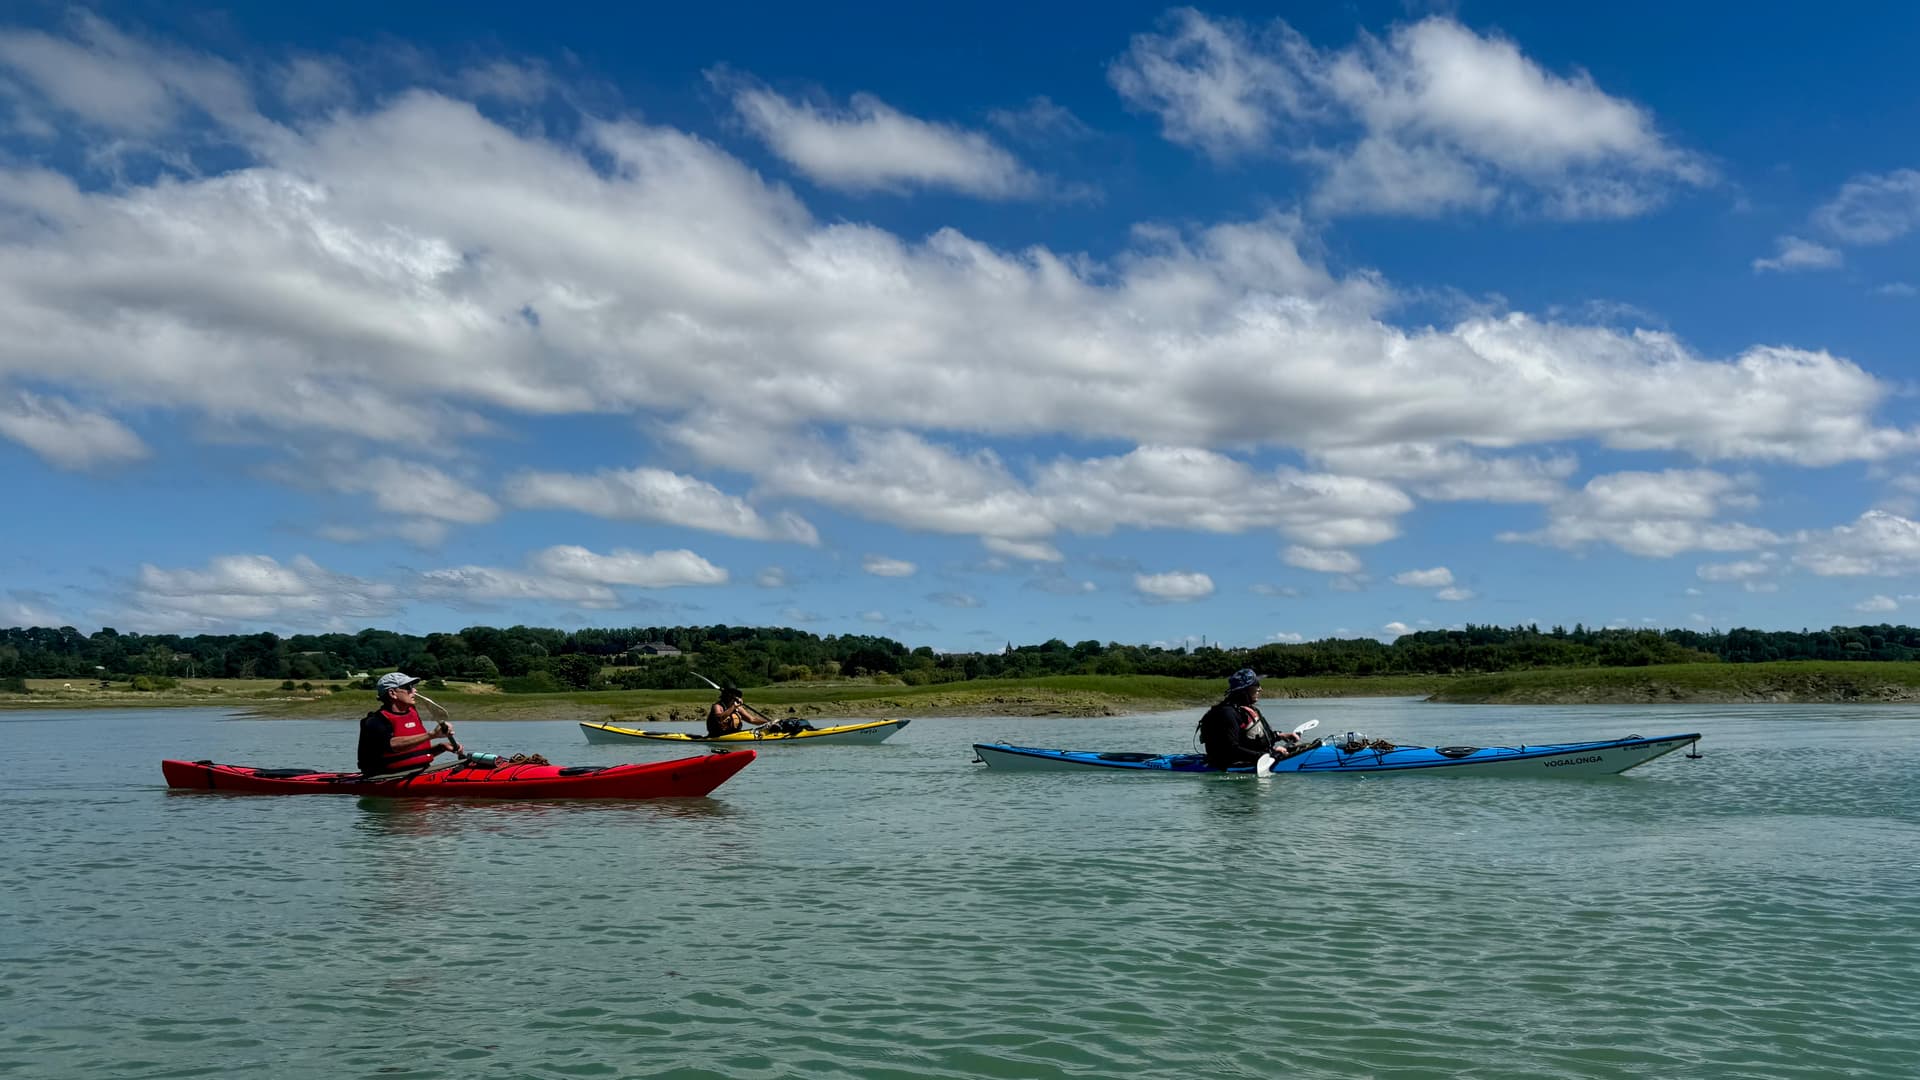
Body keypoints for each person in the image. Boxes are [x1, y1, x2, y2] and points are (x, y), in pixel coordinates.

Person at [1196, 668, 1301, 769]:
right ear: (1244, 690)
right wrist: (1269, 754)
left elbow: (1255, 739)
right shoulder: (1227, 713)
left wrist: (1280, 735)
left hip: (1256, 757)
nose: (1260, 689)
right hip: (1232, 764)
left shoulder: (1248, 709)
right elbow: (1231, 749)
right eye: (1256, 685)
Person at [357, 672, 458, 775]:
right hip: (386, 777)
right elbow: (392, 746)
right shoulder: (374, 721)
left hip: (419, 772)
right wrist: (432, 735)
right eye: (408, 687)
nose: (414, 690)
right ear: (392, 693)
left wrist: (441, 747)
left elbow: (412, 754)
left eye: (413, 687)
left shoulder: (412, 713)